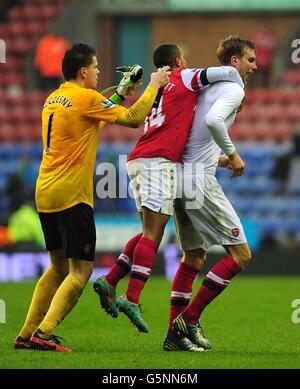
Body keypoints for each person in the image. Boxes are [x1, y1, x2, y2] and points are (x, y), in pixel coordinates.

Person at [13, 43, 170, 352]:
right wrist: (153, 85)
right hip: (72, 194)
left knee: (57, 267)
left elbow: (94, 113)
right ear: (83, 71)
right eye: (96, 67)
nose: (99, 72)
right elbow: (133, 118)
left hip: (45, 190)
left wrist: (122, 92)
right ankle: (43, 334)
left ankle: (26, 331)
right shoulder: (86, 98)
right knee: (81, 271)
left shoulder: (54, 98)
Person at [93, 44, 245, 348]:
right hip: (158, 162)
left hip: (156, 161)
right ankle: (134, 297)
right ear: (177, 61)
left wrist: (218, 159)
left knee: (165, 237)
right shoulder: (184, 77)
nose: (187, 62)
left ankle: (112, 281)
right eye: (184, 59)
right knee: (155, 232)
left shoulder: (158, 88)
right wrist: (237, 82)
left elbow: (178, 132)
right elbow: (226, 72)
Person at [164, 35, 257, 351]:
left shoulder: (206, 87)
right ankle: (187, 321)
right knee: (241, 254)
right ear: (234, 61)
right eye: (250, 60)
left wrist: (216, 157)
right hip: (198, 180)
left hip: (179, 176)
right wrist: (232, 153)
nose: (254, 66)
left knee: (194, 256)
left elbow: (198, 132)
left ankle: (172, 336)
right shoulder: (233, 88)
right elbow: (214, 121)